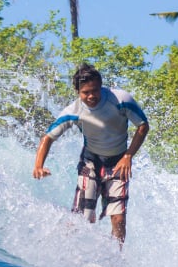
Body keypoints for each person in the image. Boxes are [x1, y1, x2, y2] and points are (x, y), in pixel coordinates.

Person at [32, 63, 149, 248]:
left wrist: (128, 156)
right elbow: (47, 138)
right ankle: (68, 248)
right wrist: (38, 166)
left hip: (119, 161)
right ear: (78, 91)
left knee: (118, 219)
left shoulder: (120, 99)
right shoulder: (73, 111)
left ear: (101, 85)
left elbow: (143, 126)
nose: (91, 96)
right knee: (83, 217)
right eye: (86, 92)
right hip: (90, 161)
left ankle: (115, 260)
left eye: (95, 90)